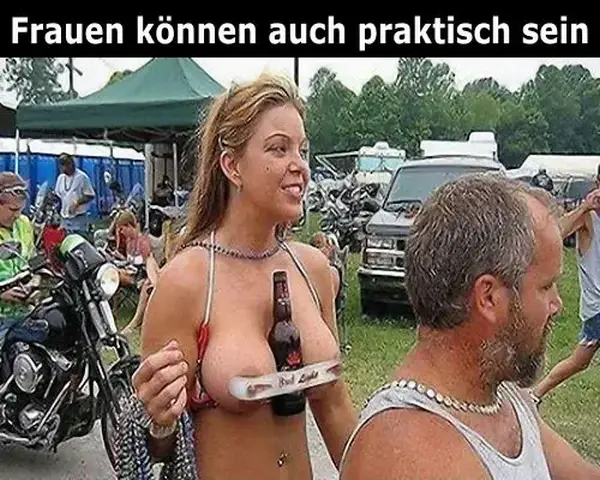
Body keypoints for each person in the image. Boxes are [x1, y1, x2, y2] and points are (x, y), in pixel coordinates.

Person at [129, 73, 357, 479]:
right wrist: (158, 419)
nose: (300, 166)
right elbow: (160, 449)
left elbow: (333, 406)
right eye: (279, 148)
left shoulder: (313, 271)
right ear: (232, 166)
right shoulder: (188, 281)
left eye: (302, 150)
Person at [340, 175, 600, 479]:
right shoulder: (410, 452)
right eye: (546, 287)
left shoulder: (501, 398)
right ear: (488, 297)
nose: (557, 304)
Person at [531, 168, 600, 403]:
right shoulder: (588, 218)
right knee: (580, 360)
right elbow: (554, 234)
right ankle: (535, 394)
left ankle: (535, 394)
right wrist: (584, 207)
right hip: (597, 305)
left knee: (580, 360)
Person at [0, 172, 41, 352]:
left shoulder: (24, 223)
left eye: (20, 209)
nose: (17, 215)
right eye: (13, 209)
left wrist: (34, 284)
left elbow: (34, 263)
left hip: (26, 311)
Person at [108, 210, 159, 335]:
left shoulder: (143, 242)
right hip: (132, 272)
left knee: (118, 275)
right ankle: (111, 312)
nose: (121, 232)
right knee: (111, 273)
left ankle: (134, 322)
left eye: (122, 229)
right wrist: (119, 257)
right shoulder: (129, 241)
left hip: (142, 275)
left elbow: (148, 264)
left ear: (129, 226)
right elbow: (130, 261)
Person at [54, 153, 95, 237]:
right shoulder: (60, 178)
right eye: (63, 165)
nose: (66, 167)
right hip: (64, 218)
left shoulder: (82, 177)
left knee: (78, 240)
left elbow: (90, 195)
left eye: (68, 164)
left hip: (78, 218)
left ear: (72, 163)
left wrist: (77, 203)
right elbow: (58, 195)